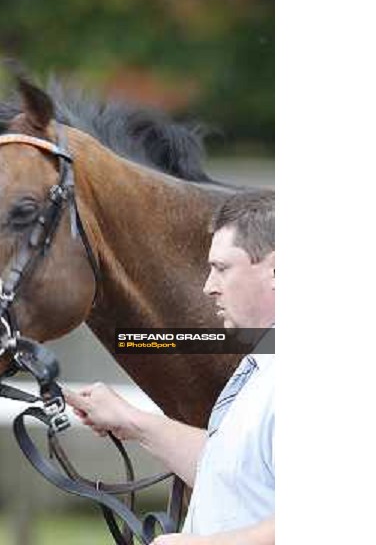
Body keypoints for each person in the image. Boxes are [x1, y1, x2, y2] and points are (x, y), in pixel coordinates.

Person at [65, 191, 275, 544]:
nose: (209, 287)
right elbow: (233, 471)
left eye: (222, 268)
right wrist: (131, 421)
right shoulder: (265, 363)